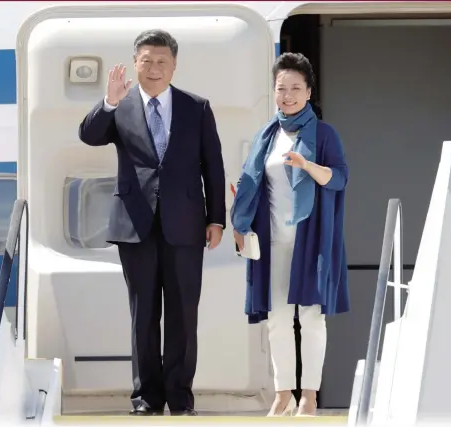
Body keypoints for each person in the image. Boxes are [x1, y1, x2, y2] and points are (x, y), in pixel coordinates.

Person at [78, 29, 226, 417]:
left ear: (174, 65)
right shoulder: (120, 105)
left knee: (182, 313)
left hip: (186, 224)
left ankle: (180, 397)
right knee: (143, 314)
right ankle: (146, 397)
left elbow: (213, 165)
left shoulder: (197, 106)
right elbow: (89, 135)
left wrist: (216, 220)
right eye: (146, 61)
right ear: (135, 63)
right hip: (135, 224)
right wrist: (108, 102)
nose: (154, 68)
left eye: (162, 61)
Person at [230, 52, 350, 417]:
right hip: (273, 241)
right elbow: (251, 183)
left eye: (296, 88)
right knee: (278, 319)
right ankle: (283, 393)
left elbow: (340, 177)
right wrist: (240, 224)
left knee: (311, 318)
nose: (287, 95)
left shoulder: (325, 134)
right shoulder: (266, 135)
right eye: (281, 88)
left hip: (310, 241)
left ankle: (309, 395)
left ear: (309, 92)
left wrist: (306, 164)